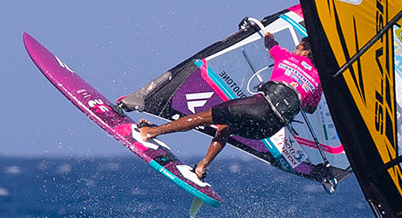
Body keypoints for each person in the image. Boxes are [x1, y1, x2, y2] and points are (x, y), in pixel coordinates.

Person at [136, 20, 321, 180]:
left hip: (259, 107)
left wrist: (265, 29)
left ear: (305, 51)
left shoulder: (286, 56)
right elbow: (310, 108)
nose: (295, 50)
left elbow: (270, 43)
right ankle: (202, 167)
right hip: (270, 127)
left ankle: (151, 132)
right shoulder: (318, 80)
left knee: (203, 117)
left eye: (298, 48)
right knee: (226, 128)